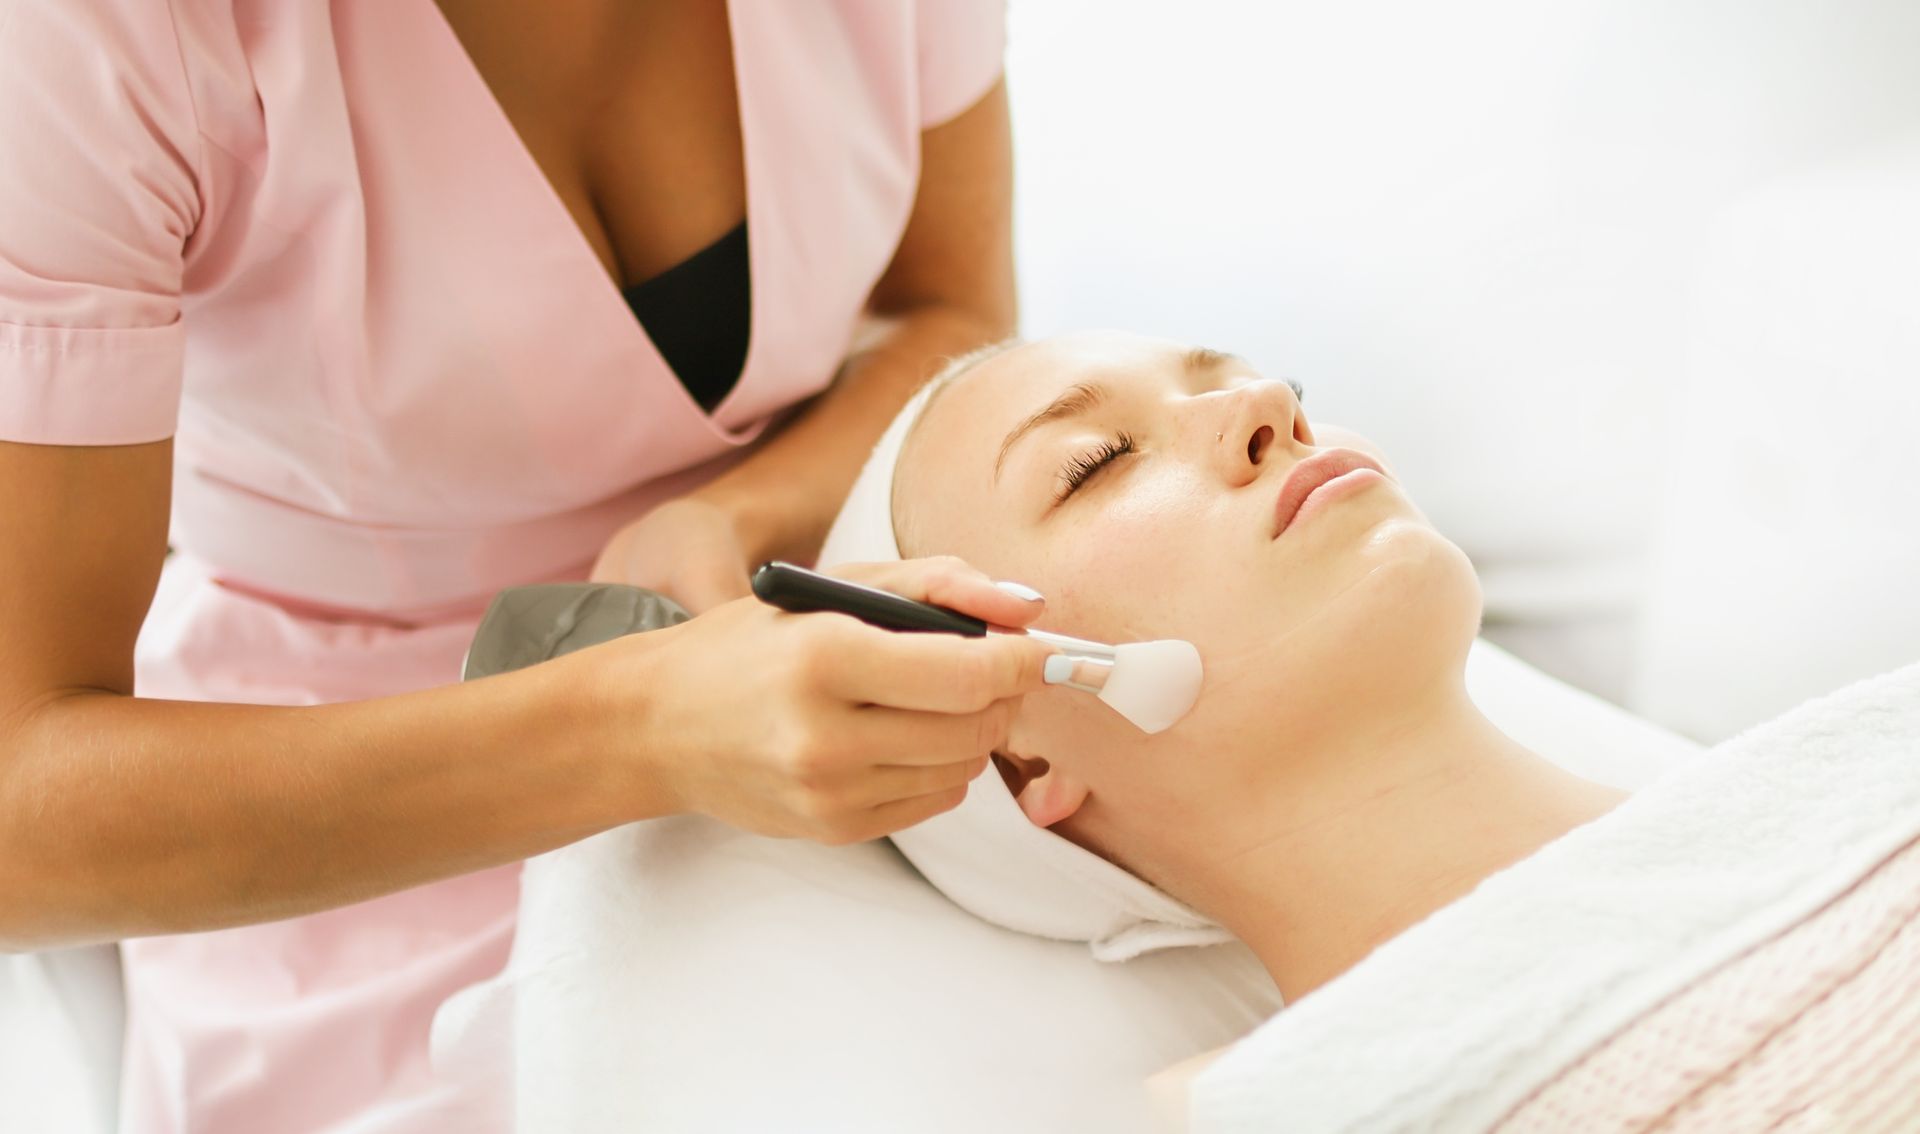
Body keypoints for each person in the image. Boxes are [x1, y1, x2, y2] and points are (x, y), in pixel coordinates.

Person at [0, 1, 1052, 1128]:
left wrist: (732, 517)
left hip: (828, 670)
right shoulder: (87, 37)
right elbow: (20, 810)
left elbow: (950, 310)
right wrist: (644, 726)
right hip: (347, 816)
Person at [887, 331, 1629, 1000]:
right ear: (1024, 751)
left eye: (1277, 384)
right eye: (1097, 463)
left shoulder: (1747, 806)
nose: (1268, 403)